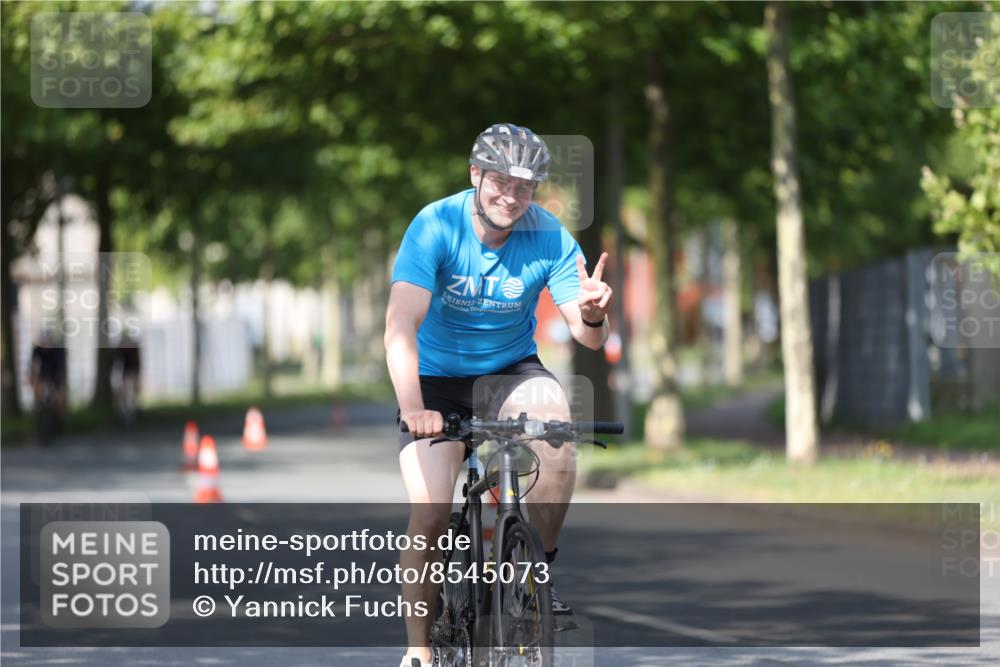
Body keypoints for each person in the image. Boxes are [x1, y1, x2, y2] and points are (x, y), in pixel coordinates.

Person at [385, 123, 613, 667]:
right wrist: (415, 408)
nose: (511, 196)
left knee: (558, 434)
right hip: (437, 380)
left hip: (511, 369)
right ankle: (417, 650)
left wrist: (593, 312)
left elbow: (588, 338)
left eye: (525, 186)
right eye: (500, 182)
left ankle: (536, 576)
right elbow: (399, 325)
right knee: (432, 511)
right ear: (476, 176)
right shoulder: (435, 224)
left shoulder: (551, 236)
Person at [30, 329, 67, 445]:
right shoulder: (36, 350)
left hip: (55, 378)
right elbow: (33, 366)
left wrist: (58, 388)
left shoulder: (58, 351)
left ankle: (59, 423)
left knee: (58, 401)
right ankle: (41, 429)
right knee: (40, 403)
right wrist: (34, 381)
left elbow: (60, 370)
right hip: (42, 377)